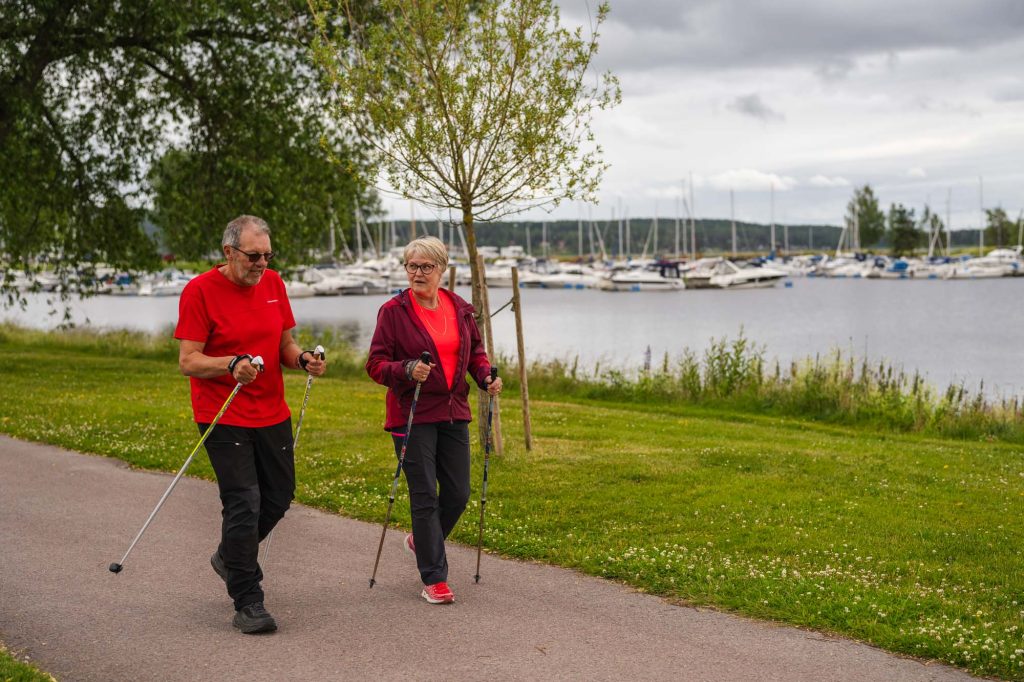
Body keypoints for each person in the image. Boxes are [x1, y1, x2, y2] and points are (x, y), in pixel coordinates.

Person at [174, 215, 326, 633]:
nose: (261, 264)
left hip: (271, 411)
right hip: (222, 413)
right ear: (229, 252)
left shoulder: (274, 285)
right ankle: (248, 599)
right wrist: (231, 363)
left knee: (279, 496)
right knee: (244, 503)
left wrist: (302, 360)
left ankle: (230, 557)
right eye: (253, 256)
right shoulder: (200, 291)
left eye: (267, 255)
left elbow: (284, 344)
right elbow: (188, 360)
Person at [366, 236, 502, 604]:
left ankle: (421, 540)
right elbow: (376, 364)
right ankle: (434, 577)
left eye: (426, 267)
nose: (418, 273)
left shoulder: (459, 308)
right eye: (412, 266)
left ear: (442, 269)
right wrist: (408, 369)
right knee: (424, 494)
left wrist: (486, 375)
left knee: (458, 493)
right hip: (412, 413)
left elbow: (474, 353)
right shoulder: (393, 311)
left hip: (453, 410)